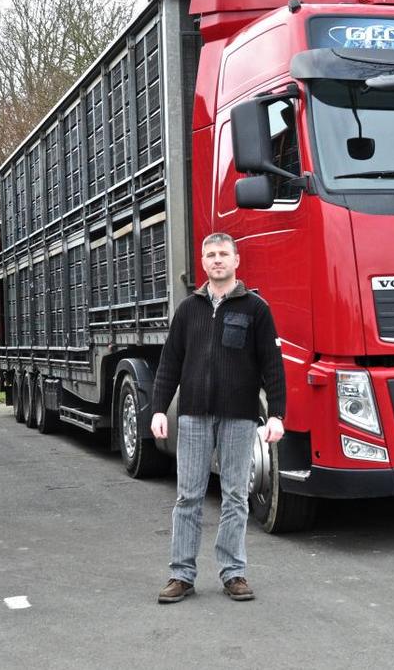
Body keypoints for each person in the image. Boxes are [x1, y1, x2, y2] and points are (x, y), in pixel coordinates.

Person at [150, 232, 286, 603]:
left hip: (239, 418)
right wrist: (159, 409)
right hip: (193, 416)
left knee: (235, 497)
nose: (216, 260)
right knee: (188, 497)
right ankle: (181, 575)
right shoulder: (188, 309)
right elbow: (170, 364)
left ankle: (233, 573)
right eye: (209, 254)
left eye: (223, 253)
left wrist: (276, 414)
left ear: (236, 260)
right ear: (203, 262)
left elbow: (273, 366)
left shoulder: (256, 309)